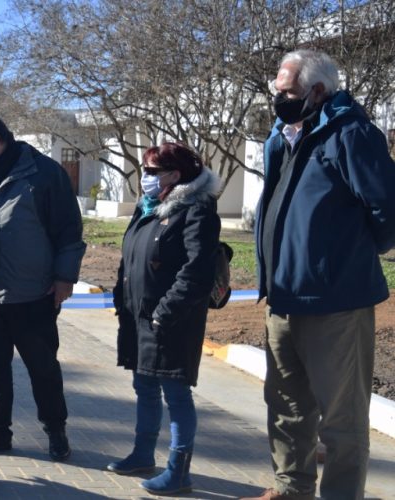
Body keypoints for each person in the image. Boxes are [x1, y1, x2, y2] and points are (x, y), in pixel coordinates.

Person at [242, 50, 395, 500]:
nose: (278, 98)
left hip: (336, 306)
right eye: (277, 90)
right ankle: (292, 490)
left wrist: (343, 260)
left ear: (318, 91)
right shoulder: (284, 136)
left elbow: (387, 210)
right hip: (284, 301)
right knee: (287, 410)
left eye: (287, 91)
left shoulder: (350, 133)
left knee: (342, 422)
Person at [0, 113, 85, 461]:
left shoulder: (44, 174)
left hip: (34, 294)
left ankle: (56, 431)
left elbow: (68, 231)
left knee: (44, 369)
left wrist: (64, 278)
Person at [109, 142, 221, 496]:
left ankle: (178, 470)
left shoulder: (197, 211)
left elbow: (197, 271)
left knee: (176, 394)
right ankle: (143, 454)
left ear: (175, 175)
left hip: (171, 321)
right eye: (145, 170)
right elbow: (131, 259)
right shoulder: (148, 208)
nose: (145, 178)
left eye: (152, 171)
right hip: (139, 317)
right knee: (144, 387)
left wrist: (165, 312)